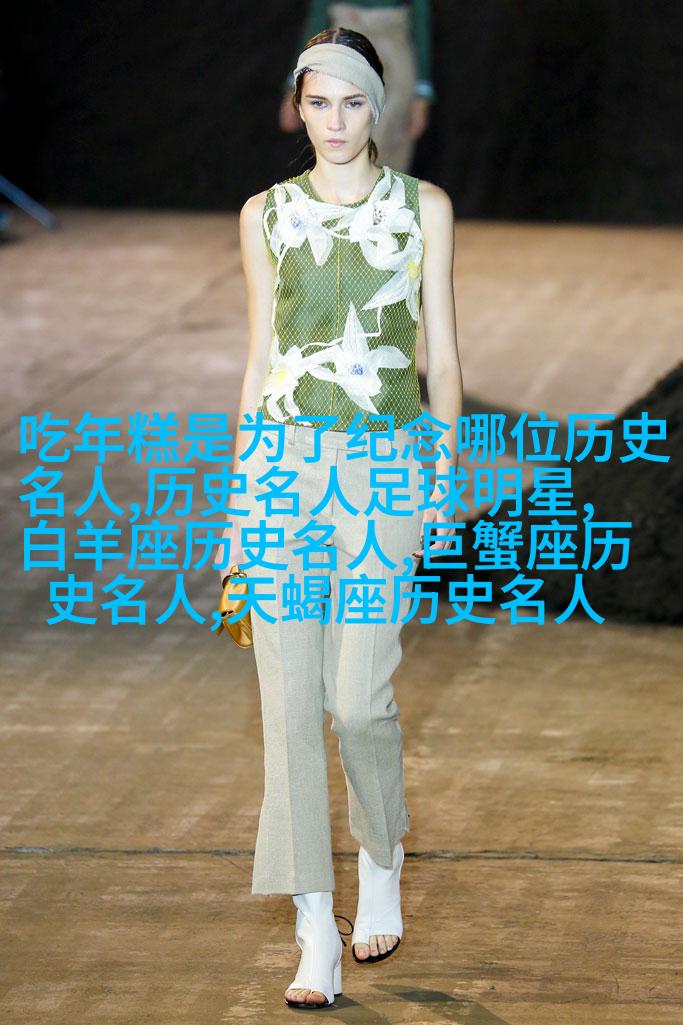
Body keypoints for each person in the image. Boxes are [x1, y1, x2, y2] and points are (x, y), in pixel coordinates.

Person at [214, 26, 462, 1009]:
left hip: (387, 465)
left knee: (358, 699)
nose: (334, 121)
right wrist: (239, 501)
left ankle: (381, 855)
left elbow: (442, 357)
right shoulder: (265, 214)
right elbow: (259, 360)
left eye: (352, 101)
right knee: (288, 705)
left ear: (378, 106)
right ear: (298, 106)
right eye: (317, 101)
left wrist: (440, 481)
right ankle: (312, 923)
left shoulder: (422, 208)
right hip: (283, 468)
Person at [279, 1, 435, 171]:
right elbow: (318, 18)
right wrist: (295, 85)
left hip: (392, 46)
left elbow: (421, 18)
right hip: (342, 47)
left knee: (387, 143)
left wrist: (422, 91)